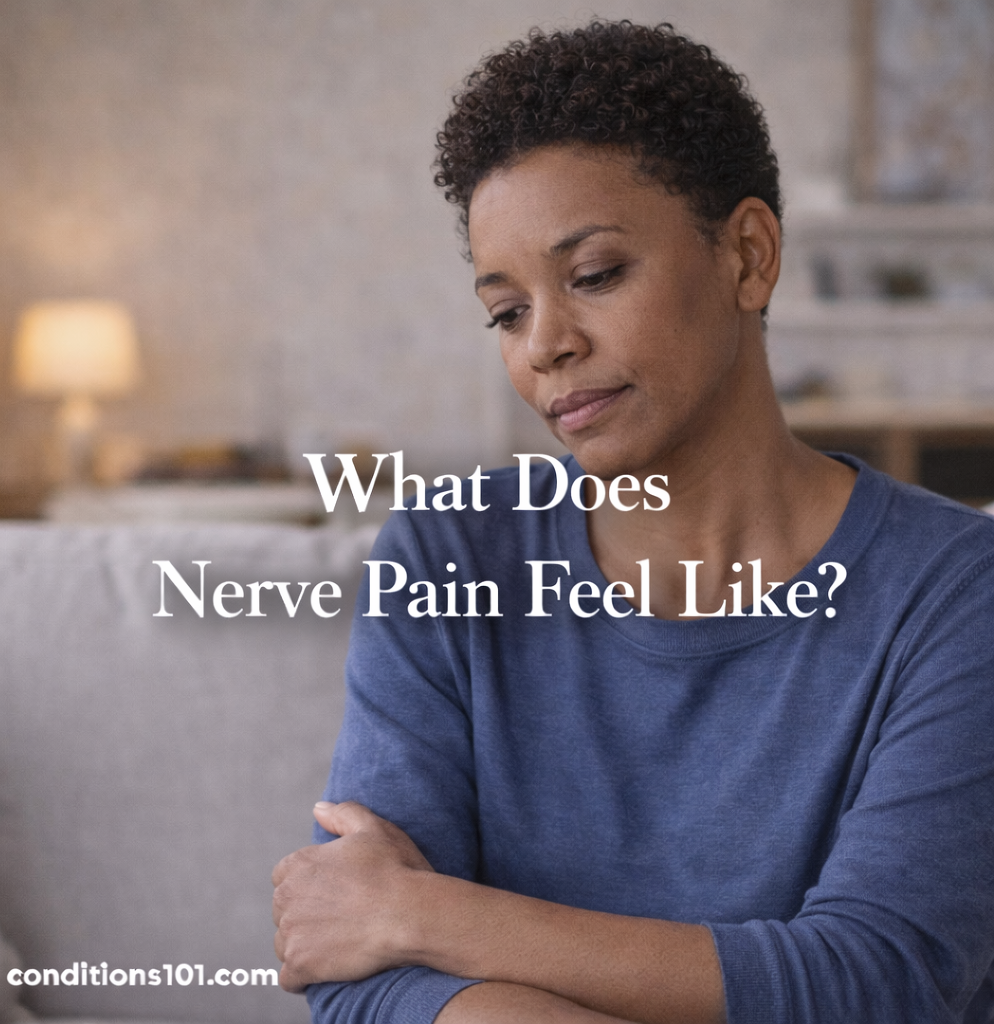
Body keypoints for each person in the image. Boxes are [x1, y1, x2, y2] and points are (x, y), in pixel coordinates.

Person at [272, 20, 994, 1024]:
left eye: (596, 275)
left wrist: (425, 911)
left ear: (747, 256)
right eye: (504, 310)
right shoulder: (445, 554)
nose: (545, 347)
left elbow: (874, 982)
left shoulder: (959, 593)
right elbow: (362, 981)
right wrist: (400, 925)